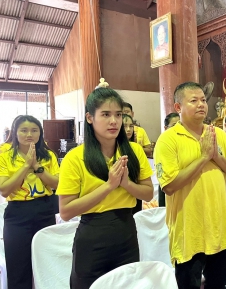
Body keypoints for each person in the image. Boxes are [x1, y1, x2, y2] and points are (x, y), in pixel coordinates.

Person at [56, 82, 153, 289]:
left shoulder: (134, 151)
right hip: (92, 237)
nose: (114, 121)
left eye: (118, 115)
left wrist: (126, 183)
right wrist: (109, 186)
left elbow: (147, 193)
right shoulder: (75, 158)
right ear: (90, 118)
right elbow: (65, 211)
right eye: (106, 114)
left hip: (126, 232)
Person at [154, 82, 226, 289]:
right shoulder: (168, 140)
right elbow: (169, 186)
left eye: (203, 100)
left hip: (218, 228)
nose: (201, 104)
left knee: (218, 284)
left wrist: (216, 157)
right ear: (178, 107)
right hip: (188, 231)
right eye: (193, 101)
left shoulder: (218, 135)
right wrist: (203, 158)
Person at [0, 115, 59, 289]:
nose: (29, 134)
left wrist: (37, 167)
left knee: (46, 262)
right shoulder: (4, 157)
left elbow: (58, 184)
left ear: (40, 133)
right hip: (17, 213)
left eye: (34, 130)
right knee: (18, 266)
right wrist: (26, 165)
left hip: (45, 210)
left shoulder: (49, 156)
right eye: (23, 130)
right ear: (15, 133)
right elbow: (4, 189)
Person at [158, 112, 180, 207]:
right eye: (174, 125)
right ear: (166, 128)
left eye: (180, 124)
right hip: (168, 186)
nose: (178, 128)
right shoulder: (163, 143)